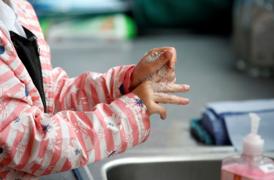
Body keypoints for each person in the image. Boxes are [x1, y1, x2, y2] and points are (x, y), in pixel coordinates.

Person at [0, 0, 190, 179]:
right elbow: (29, 142)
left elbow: (50, 96)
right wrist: (129, 112)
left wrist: (127, 82)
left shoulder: (19, 9)